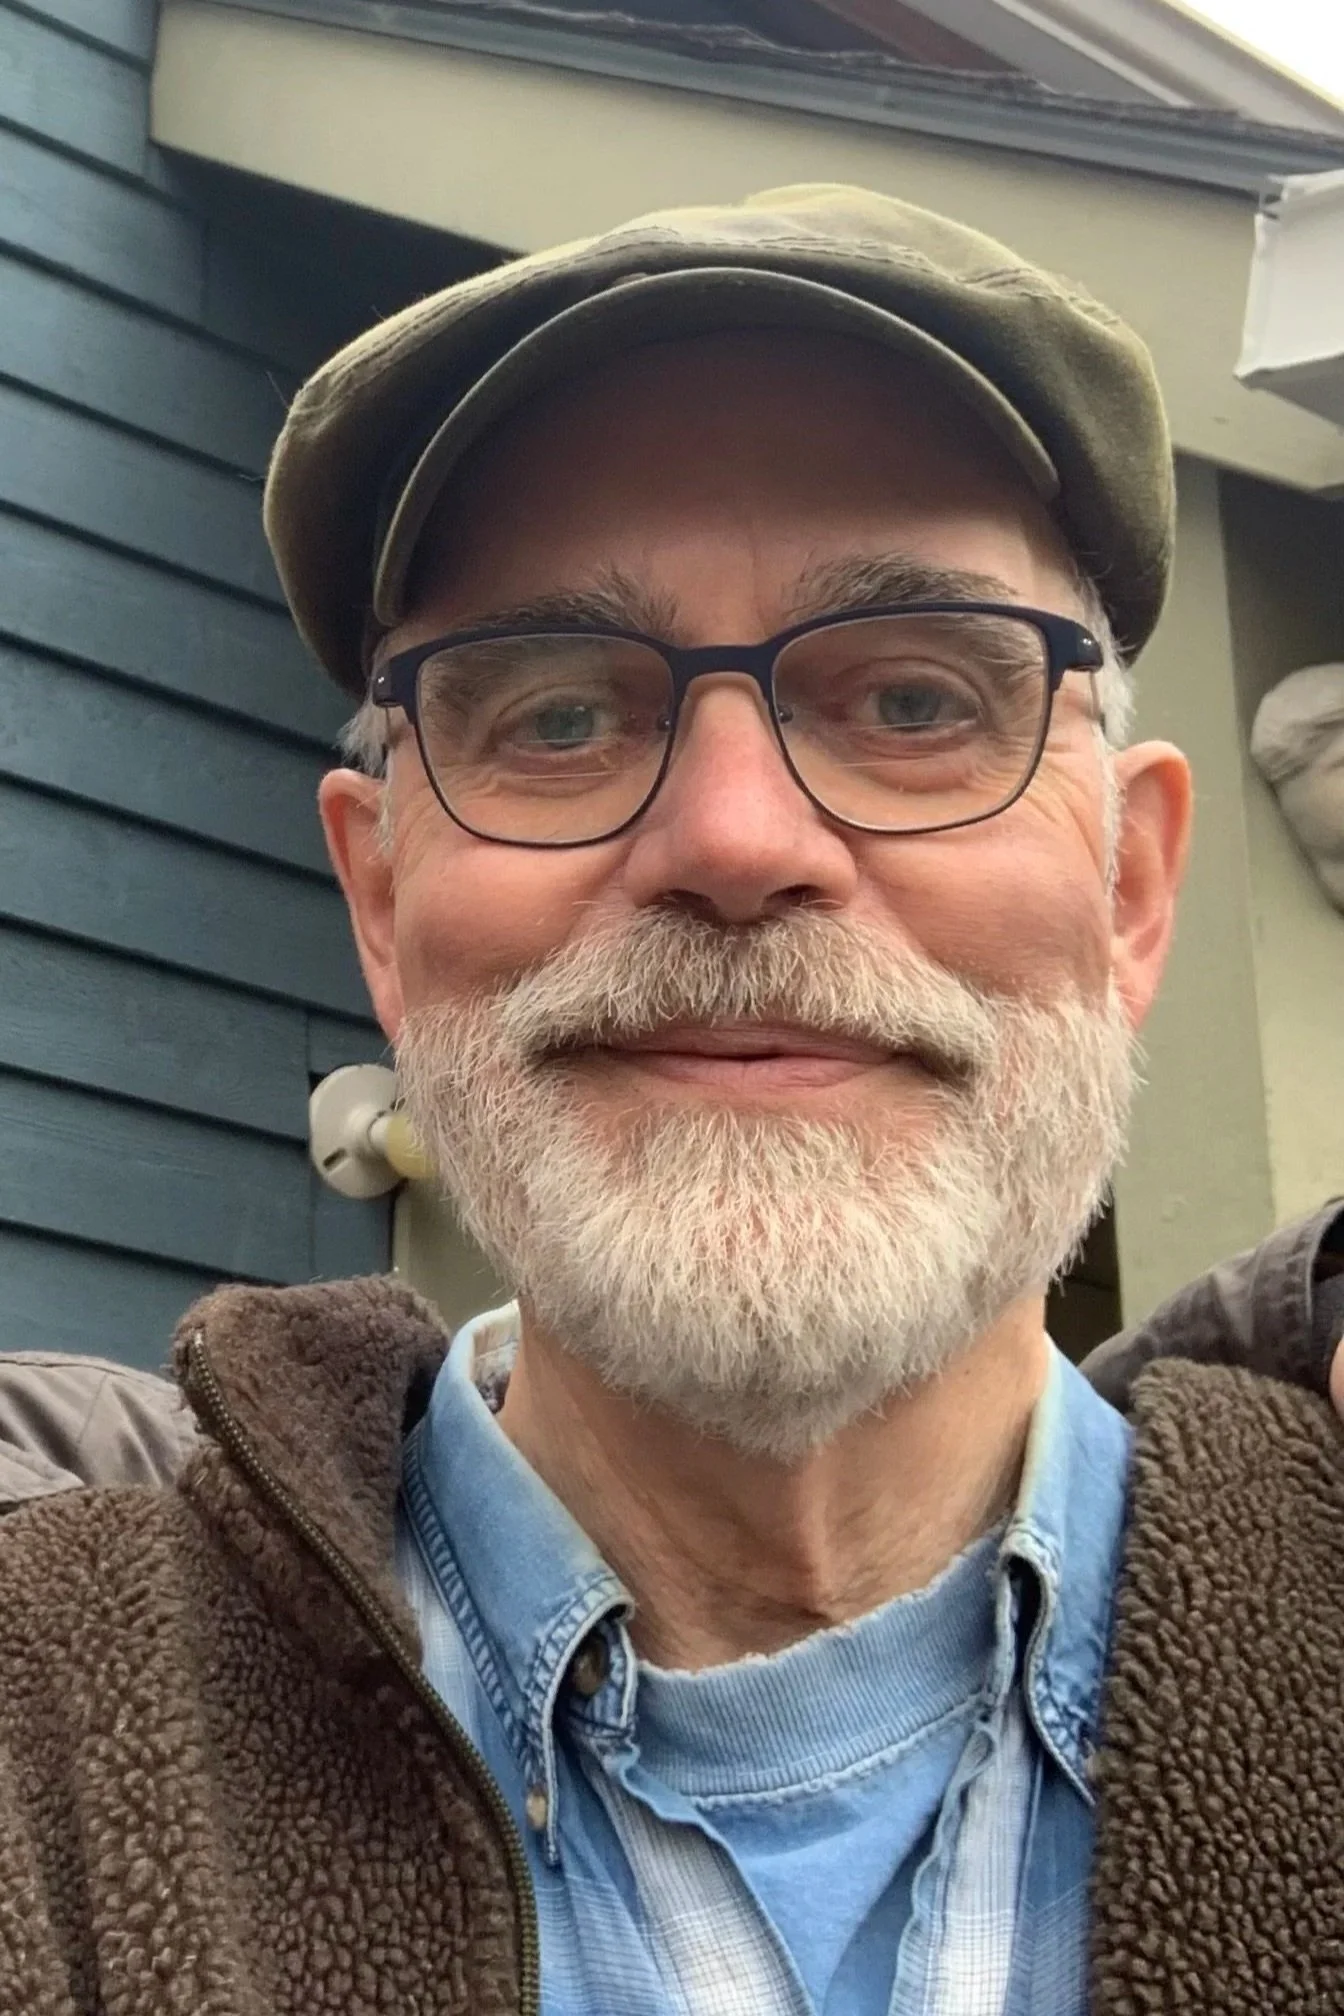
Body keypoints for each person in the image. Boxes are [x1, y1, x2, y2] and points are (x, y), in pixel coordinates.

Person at [0, 185, 1339, 2016]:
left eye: (915, 699)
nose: (732, 836)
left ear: (1129, 891)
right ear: (382, 905)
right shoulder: (48, 1754)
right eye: (557, 718)